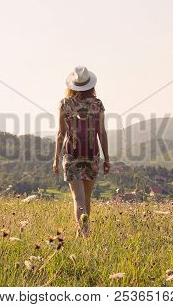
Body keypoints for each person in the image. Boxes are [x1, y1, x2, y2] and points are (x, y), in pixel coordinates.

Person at [53, 66, 110, 236]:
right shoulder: (97, 104)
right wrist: (107, 159)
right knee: (86, 199)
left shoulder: (65, 104)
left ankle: (84, 233)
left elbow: (60, 134)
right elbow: (102, 133)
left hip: (72, 156)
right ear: (90, 85)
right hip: (92, 156)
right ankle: (82, 234)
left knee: (78, 200)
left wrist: (56, 158)